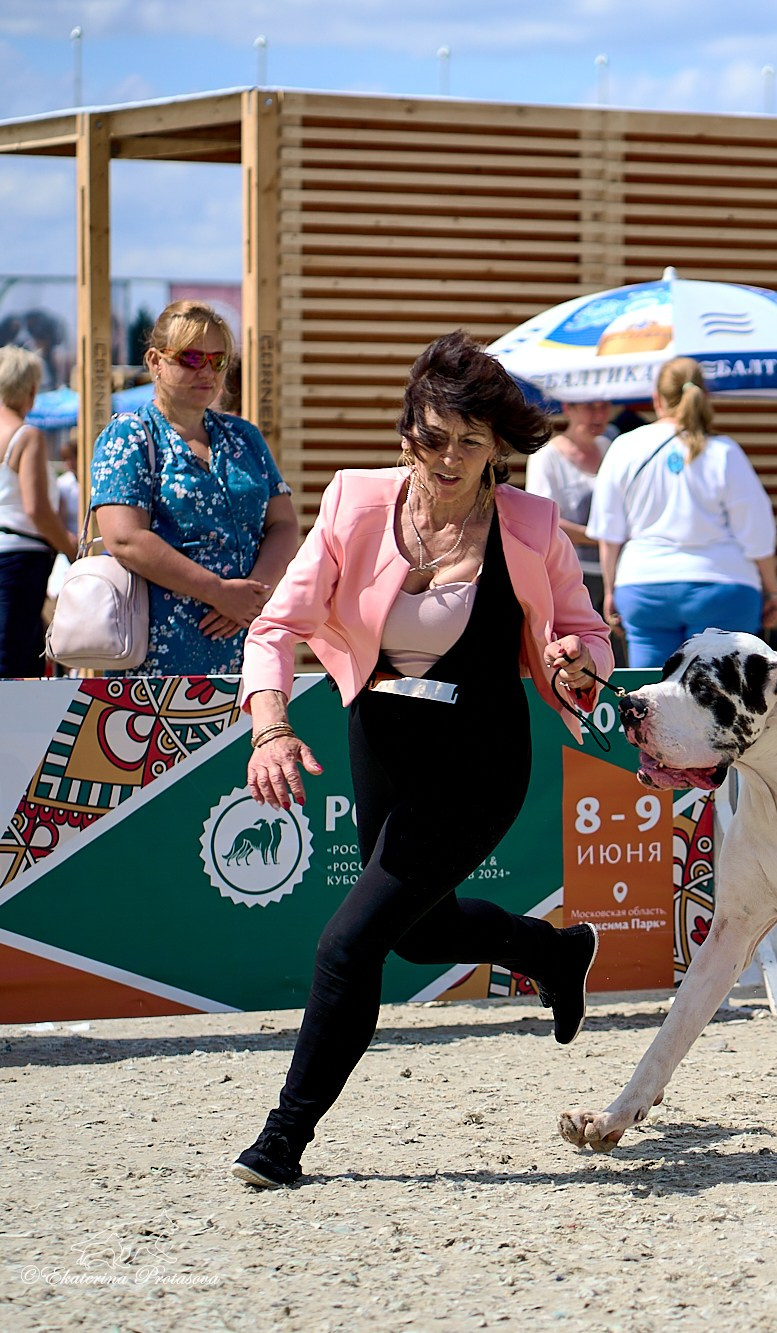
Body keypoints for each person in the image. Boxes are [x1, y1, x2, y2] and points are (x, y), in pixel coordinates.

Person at [233, 331, 613, 1190]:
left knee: (349, 943)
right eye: (430, 436)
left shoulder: (530, 524)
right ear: (408, 430)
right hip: (381, 742)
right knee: (420, 934)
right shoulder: (352, 503)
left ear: (497, 451)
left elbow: (587, 635)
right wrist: (271, 726)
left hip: (481, 755)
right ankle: (555, 955)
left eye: (469, 443)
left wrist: (576, 663)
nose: (445, 458)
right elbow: (277, 628)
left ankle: (282, 1141)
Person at [88, 300, 299, 675]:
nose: (207, 371)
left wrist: (252, 594)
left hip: (251, 645)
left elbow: (283, 524)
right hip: (158, 657)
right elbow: (124, 538)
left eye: (218, 361)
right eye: (190, 358)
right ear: (155, 361)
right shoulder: (129, 436)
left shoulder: (244, 436)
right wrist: (217, 591)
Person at [587, 358, 777, 667]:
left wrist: (610, 591)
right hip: (722, 586)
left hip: (643, 585)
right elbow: (756, 532)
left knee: (650, 696)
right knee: (719, 702)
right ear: (704, 396)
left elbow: (609, 531)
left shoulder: (624, 447)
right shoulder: (724, 451)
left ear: (656, 398)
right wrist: (773, 593)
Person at [0, 346, 77, 677]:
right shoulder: (27, 436)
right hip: (19, 554)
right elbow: (36, 507)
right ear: (31, 389)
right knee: (9, 659)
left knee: (18, 649)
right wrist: (70, 548)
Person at [524, 398, 614, 616]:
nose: (598, 415)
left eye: (604, 407)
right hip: (570, 573)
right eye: (590, 406)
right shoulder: (546, 456)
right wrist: (599, 537)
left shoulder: (608, 447)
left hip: (611, 572)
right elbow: (541, 521)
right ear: (568, 408)